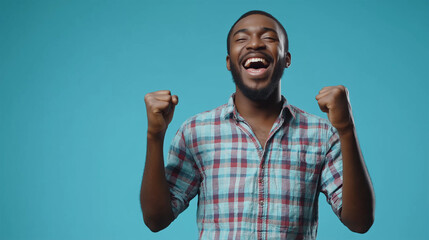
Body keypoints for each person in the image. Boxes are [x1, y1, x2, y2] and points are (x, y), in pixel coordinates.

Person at [140, 10, 375, 239]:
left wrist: (346, 129)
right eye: (242, 38)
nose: (254, 44)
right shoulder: (195, 132)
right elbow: (157, 220)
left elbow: (359, 222)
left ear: (287, 59)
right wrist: (154, 136)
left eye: (269, 38)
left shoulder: (321, 134)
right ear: (229, 62)